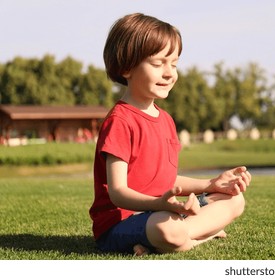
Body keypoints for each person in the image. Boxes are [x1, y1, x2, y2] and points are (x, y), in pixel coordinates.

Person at [89, 13, 252, 256]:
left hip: (164, 212)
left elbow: (166, 180)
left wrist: (211, 184)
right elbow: (118, 192)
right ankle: (196, 235)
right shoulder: (119, 121)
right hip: (121, 223)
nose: (169, 73)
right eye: (158, 64)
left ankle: (179, 235)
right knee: (168, 228)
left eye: (174, 64)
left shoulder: (165, 120)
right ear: (126, 68)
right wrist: (159, 205)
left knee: (235, 201)